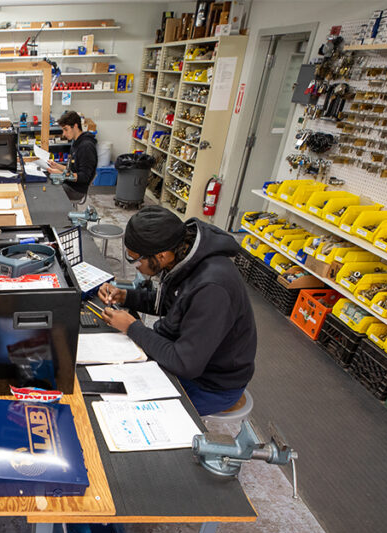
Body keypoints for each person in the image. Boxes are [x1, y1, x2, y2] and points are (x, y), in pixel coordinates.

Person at [99, 206, 257, 415]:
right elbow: (172, 304)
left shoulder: (212, 290)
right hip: (190, 358)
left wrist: (132, 327)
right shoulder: (185, 256)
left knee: (125, 408)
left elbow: (184, 363)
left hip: (211, 385)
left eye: (136, 260)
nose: (135, 266)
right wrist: (127, 297)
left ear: (162, 256)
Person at [46, 110, 98, 202]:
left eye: (66, 129)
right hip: (69, 184)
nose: (64, 134)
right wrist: (57, 165)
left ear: (75, 126)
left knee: (48, 192)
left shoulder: (86, 146)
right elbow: (71, 169)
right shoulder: (76, 143)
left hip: (76, 190)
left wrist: (61, 174)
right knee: (47, 184)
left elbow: (84, 177)